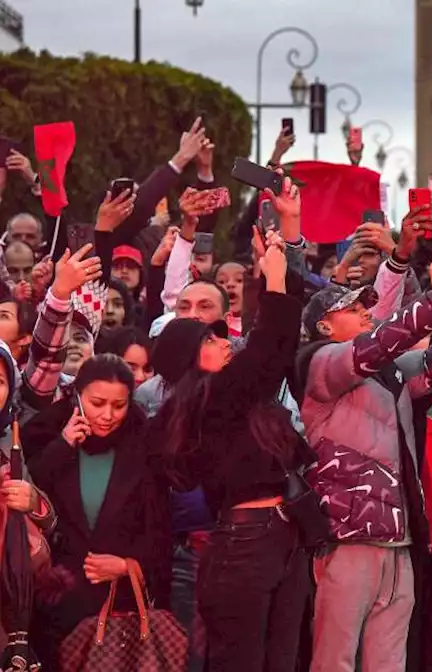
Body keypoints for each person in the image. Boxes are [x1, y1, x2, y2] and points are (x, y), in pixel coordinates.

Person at [299, 234, 432, 672]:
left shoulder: (390, 374)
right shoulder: (319, 365)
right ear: (324, 326)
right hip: (345, 543)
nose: (366, 312)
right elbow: (382, 342)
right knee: (334, 662)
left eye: (366, 306)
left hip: (399, 542)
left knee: (389, 665)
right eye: (352, 308)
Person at [152, 185, 311, 672]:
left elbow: (274, 349)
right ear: (187, 358)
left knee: (279, 661)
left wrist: (281, 247)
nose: (223, 340)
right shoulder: (212, 398)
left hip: (280, 535)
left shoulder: (231, 395)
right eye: (210, 337)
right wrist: (276, 278)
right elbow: (271, 347)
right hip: (246, 544)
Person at [28, 355, 170, 670]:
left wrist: (129, 564)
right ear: (76, 395)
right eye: (97, 403)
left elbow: (160, 530)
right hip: (57, 604)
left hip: (120, 610)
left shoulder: (143, 449)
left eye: (118, 406)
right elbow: (30, 496)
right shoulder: (48, 436)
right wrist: (63, 446)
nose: (107, 415)